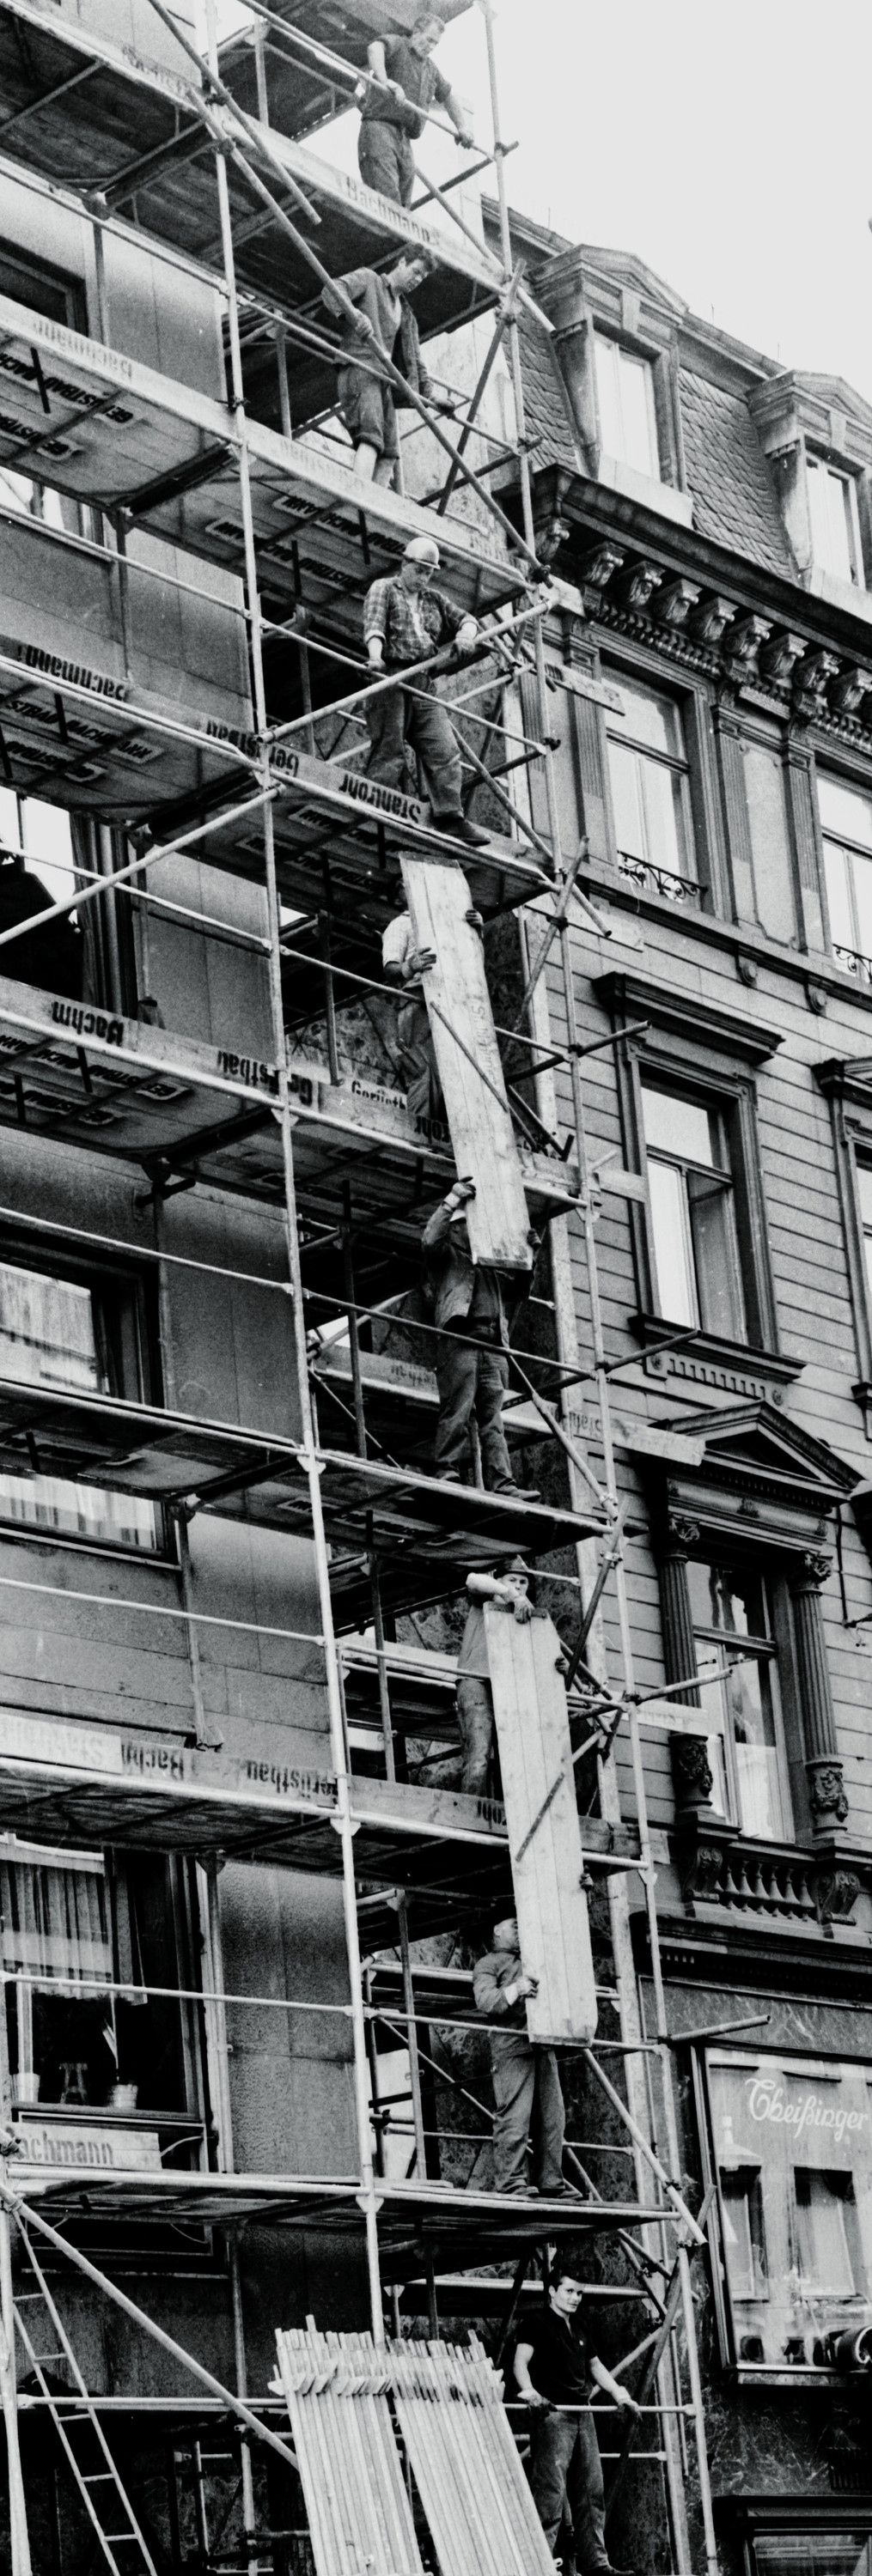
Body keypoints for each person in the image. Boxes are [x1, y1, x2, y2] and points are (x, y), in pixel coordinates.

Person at [514, 2263, 642, 2576]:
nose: (575, 2298)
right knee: (551, 2491)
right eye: (569, 2291)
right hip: (553, 2414)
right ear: (552, 2291)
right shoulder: (535, 2323)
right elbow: (520, 2362)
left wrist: (621, 2395)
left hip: (583, 2413)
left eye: (580, 2293)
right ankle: (540, 2564)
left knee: (591, 2490)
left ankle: (597, 2564)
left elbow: (596, 2367)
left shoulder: (580, 2326)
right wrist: (530, 2393)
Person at [363, 537, 490, 846]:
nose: (423, 578)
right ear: (404, 563)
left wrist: (465, 636)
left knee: (444, 748)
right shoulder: (384, 588)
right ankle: (375, 804)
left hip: (423, 681)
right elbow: (375, 626)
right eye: (419, 570)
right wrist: (376, 658)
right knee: (390, 746)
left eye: (428, 572)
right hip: (393, 674)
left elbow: (468, 620)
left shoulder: (434, 599)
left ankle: (450, 816)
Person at [422, 1175, 537, 1494]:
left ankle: (502, 1482)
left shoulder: (489, 1260)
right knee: (457, 1411)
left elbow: (519, 1291)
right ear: (456, 1228)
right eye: (467, 1224)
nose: (475, 1229)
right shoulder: (446, 1258)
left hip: (493, 1347)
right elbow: (429, 1240)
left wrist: (530, 1257)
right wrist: (451, 1201)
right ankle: (446, 1470)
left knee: (493, 1420)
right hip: (462, 1342)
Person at [320, 249, 438, 487]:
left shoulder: (406, 314)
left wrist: (432, 396)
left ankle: (373, 503)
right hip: (360, 367)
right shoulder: (369, 279)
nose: (417, 279)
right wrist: (354, 314)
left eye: (422, 277)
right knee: (371, 437)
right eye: (415, 271)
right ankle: (359, 496)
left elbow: (416, 360)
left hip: (383, 381)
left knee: (390, 453)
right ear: (402, 262)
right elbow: (333, 289)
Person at [473, 1915, 568, 2196]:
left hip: (542, 2043)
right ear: (497, 1930)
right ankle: (511, 2182)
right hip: (512, 2046)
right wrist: (516, 1989)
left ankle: (551, 2182)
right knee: (515, 2116)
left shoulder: (533, 1959)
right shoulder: (488, 1964)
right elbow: (485, 2000)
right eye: (515, 1925)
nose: (521, 1931)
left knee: (553, 2118)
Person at [357, 12, 474, 208]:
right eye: (429, 40)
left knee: (404, 207)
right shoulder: (398, 44)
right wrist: (385, 81)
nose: (431, 47)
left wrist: (462, 126)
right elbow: (375, 48)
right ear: (416, 32)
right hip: (380, 129)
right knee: (387, 199)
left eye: (435, 43)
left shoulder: (430, 68)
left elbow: (447, 96)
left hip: (405, 140)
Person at [455, 1558, 531, 1795]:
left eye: (523, 1582)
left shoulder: (525, 1613)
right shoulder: (486, 1599)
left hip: (506, 1685)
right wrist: (510, 1595)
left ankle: (505, 1813)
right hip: (476, 1681)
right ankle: (468, 1811)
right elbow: (472, 1580)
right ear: (499, 1581)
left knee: (511, 1761)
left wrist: (559, 1664)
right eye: (512, 1580)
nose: (517, 1586)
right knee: (478, 1757)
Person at [381, 908, 442, 1121]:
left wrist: (476, 931)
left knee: (446, 1073)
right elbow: (390, 968)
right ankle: (419, 1128)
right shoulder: (401, 924)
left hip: (448, 1002)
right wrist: (410, 966)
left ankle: (440, 1129)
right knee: (422, 1070)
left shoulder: (444, 920)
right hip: (417, 1001)